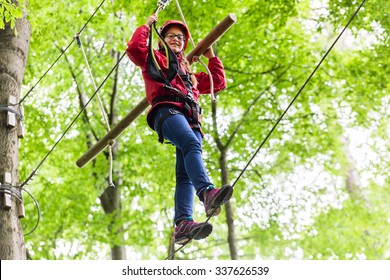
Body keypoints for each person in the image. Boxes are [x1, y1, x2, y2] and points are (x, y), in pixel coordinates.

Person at [126, 13, 233, 244]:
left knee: (184, 173)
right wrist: (147, 26)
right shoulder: (155, 58)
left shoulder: (189, 73)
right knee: (191, 144)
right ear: (162, 39)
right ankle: (206, 192)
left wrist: (210, 54)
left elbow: (218, 82)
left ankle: (183, 223)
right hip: (166, 110)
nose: (176, 39)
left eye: (180, 38)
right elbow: (135, 49)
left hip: (191, 119)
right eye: (171, 36)